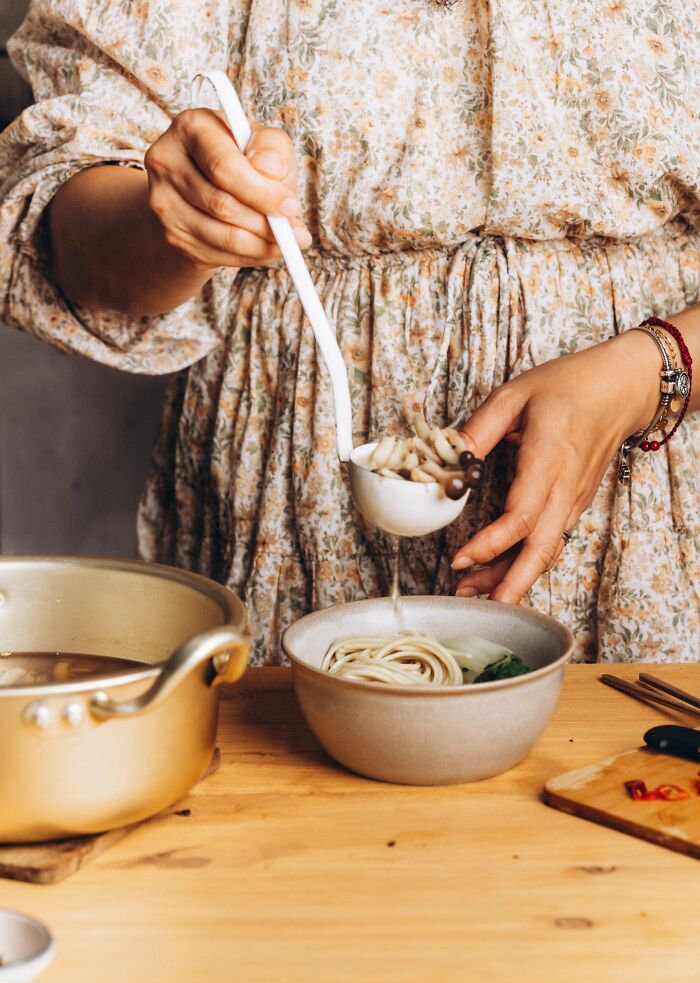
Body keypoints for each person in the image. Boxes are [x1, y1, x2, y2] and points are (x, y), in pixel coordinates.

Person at [0, 1, 698, 664]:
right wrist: (181, 224)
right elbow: (60, 229)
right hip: (287, 505)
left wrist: (651, 373)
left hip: (651, 511)